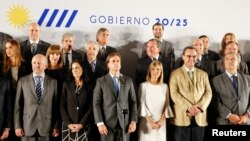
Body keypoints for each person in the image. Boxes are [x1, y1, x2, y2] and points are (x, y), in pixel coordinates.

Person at [169, 46, 212, 141]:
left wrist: (199, 107)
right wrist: (189, 107)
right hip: (181, 118)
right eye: (189, 56)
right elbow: (174, 94)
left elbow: (208, 93)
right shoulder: (174, 74)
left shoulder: (203, 74)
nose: (192, 59)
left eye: (194, 56)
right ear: (183, 57)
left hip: (200, 117)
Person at [93, 52, 137, 141]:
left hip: (125, 123)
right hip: (107, 124)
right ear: (108, 64)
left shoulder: (128, 80)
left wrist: (133, 121)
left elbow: (133, 102)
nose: (116, 63)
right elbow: (96, 103)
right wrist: (100, 123)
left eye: (118, 61)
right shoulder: (101, 81)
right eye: (113, 61)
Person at [14, 54, 59, 141]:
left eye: (39, 63)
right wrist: (17, 126)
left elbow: (56, 106)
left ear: (46, 65)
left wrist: (56, 125)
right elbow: (17, 105)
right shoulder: (23, 81)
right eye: (34, 63)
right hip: (27, 126)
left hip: (46, 127)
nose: (36, 65)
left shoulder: (53, 82)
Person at [0, 39, 29, 141]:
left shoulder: (26, 66)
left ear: (16, 48)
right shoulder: (2, 65)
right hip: (7, 100)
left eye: (10, 47)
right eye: (6, 48)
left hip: (22, 100)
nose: (7, 50)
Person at [138, 61, 173, 141]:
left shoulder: (165, 87)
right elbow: (142, 105)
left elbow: (167, 106)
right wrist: (151, 122)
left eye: (158, 69)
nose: (155, 71)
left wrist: (161, 121)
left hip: (161, 124)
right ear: (149, 71)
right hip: (147, 123)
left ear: (161, 72)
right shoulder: (144, 86)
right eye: (153, 69)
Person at [212, 53, 250, 125]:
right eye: (227, 59)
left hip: (246, 121)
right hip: (225, 122)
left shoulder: (248, 79)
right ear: (224, 63)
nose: (230, 61)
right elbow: (215, 103)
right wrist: (229, 115)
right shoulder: (215, 81)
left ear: (238, 63)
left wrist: (247, 115)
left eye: (233, 59)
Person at [60, 60, 93, 140]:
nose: (74, 70)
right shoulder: (66, 84)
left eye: (77, 68)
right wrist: (68, 123)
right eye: (73, 68)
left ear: (83, 69)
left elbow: (91, 107)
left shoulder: (90, 85)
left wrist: (82, 124)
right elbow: (62, 106)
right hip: (68, 126)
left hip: (84, 126)